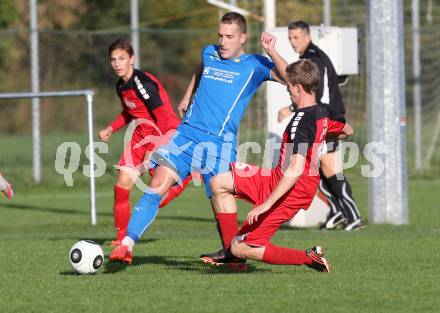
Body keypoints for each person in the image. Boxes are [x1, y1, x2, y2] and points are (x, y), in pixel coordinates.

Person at [109, 12, 288, 264]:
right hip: (186, 135)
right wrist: (187, 95)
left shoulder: (256, 65)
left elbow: (292, 78)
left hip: (219, 143)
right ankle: (126, 245)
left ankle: (232, 255)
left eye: (229, 37)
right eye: (220, 35)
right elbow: (201, 67)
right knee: (157, 184)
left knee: (219, 196)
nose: (223, 42)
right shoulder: (209, 52)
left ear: (243, 38)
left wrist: (272, 52)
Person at [203, 59, 353, 272]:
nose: (288, 91)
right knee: (218, 183)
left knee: (242, 247)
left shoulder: (301, 122)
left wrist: (267, 204)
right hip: (277, 178)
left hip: (293, 188)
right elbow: (348, 130)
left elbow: (295, 169)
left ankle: (310, 258)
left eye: (289, 87)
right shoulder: (324, 111)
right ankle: (230, 255)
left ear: (298, 88)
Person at [99, 38, 193, 246]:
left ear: (132, 59)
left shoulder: (143, 83)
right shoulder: (121, 85)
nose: (117, 63)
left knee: (157, 192)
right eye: (113, 59)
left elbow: (161, 117)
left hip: (163, 131)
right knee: (121, 185)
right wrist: (111, 128)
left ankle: (182, 181)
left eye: (122, 58)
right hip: (139, 134)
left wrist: (151, 149)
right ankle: (121, 237)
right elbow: (129, 111)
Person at [278, 21, 363, 231]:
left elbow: (320, 96)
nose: (292, 42)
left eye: (296, 37)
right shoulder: (308, 58)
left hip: (327, 117)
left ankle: (353, 216)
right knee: (319, 169)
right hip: (321, 116)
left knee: (330, 168)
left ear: (307, 37)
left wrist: (291, 108)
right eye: (290, 38)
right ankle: (337, 212)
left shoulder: (315, 60)